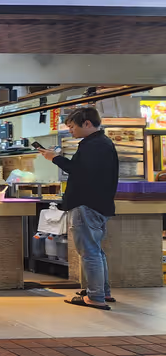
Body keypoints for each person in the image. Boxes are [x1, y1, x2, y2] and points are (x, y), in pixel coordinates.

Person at [40, 107, 119, 311]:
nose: (71, 131)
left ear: (87, 124)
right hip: (98, 205)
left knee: (90, 253)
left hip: (87, 205)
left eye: (73, 126)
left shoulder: (95, 145)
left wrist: (54, 158)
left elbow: (80, 172)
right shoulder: (101, 143)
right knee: (96, 252)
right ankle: (101, 291)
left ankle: (95, 297)